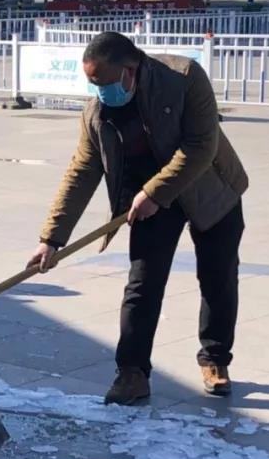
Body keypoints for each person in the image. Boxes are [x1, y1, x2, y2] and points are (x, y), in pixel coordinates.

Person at [28, 31, 248, 404]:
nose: (100, 91)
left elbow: (201, 146)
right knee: (142, 284)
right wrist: (51, 238)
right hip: (147, 203)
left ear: (130, 70)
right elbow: (82, 171)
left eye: (104, 82)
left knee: (218, 277)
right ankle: (131, 372)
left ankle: (215, 358)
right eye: (93, 84)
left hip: (209, 188)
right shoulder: (96, 113)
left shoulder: (183, 78)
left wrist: (154, 192)